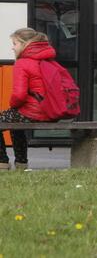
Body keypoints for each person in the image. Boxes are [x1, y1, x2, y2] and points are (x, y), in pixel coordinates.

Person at [0, 28, 55, 171]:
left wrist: (13, 106)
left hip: (33, 112)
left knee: (11, 116)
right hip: (51, 111)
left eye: (15, 43)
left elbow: (19, 95)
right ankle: (21, 164)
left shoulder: (23, 63)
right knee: (14, 121)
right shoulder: (47, 60)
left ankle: (2, 162)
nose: (12, 47)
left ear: (25, 44)